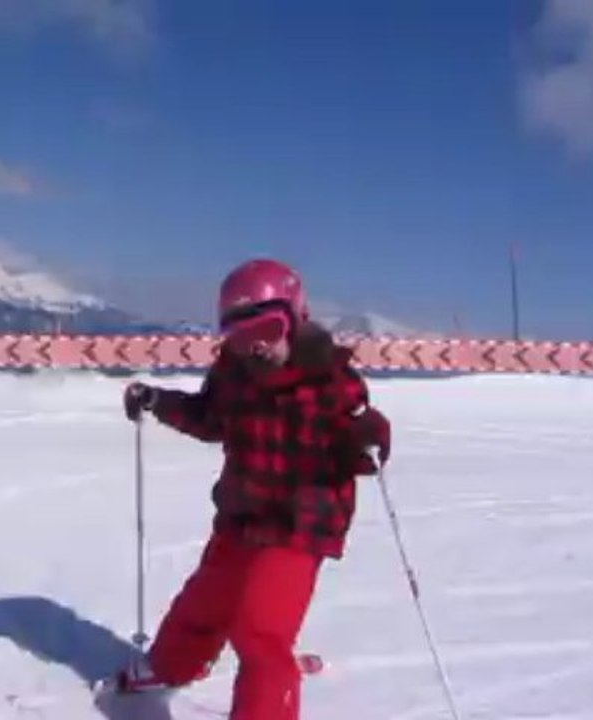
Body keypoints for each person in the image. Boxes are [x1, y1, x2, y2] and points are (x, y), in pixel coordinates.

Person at [116, 258, 391, 720]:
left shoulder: (331, 380)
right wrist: (159, 401)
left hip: (301, 523)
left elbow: (358, 434)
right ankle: (171, 666)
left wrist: (367, 436)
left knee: (260, 631)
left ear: (295, 318)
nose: (254, 346)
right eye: (239, 336)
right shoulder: (234, 373)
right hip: (243, 515)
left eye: (266, 329)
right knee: (203, 603)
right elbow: (209, 418)